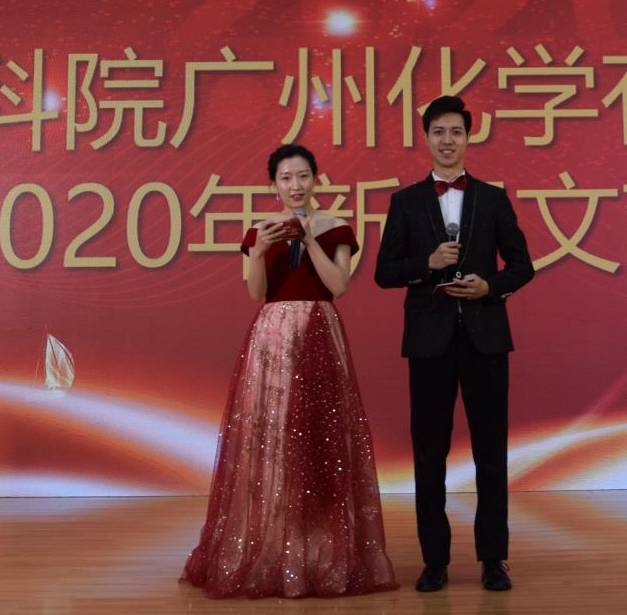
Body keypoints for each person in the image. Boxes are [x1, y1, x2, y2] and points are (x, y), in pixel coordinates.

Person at [181, 144, 399, 598]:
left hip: (320, 329)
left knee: (322, 440)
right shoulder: (259, 231)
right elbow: (255, 292)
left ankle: (323, 551)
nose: (295, 185)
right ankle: (276, 547)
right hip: (274, 337)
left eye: (302, 176)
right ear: (273, 185)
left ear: (316, 179)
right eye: (286, 178)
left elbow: (339, 284)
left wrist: (309, 238)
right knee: (274, 438)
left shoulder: (335, 227)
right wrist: (260, 250)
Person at [373, 95, 535, 593]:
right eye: (439, 132)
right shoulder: (405, 202)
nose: (448, 140)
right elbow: (384, 272)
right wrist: (428, 264)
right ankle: (434, 560)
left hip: (486, 340)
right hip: (429, 343)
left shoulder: (493, 198)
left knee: (491, 453)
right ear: (426, 137)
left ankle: (493, 558)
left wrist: (490, 286)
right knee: (429, 454)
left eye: (456, 132)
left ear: (468, 138)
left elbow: (522, 266)